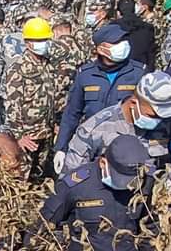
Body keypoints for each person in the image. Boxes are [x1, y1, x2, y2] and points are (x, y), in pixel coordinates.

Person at [61, 70, 171, 176]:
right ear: (134, 103)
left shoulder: (165, 123)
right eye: (152, 115)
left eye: (162, 116)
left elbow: (165, 164)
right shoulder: (95, 128)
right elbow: (71, 179)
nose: (158, 121)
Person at [56, 24, 147, 158]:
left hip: (125, 146)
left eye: (123, 41)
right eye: (116, 43)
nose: (123, 45)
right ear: (100, 48)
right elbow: (71, 114)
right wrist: (61, 148)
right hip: (92, 146)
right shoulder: (86, 74)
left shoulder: (139, 73)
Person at [0, 17, 66, 179]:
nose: (44, 43)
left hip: (45, 133)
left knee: (40, 177)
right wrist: (19, 136)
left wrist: (55, 123)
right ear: (28, 43)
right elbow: (12, 106)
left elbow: (51, 97)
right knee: (21, 177)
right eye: (38, 40)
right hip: (27, 136)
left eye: (45, 40)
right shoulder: (18, 68)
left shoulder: (48, 65)